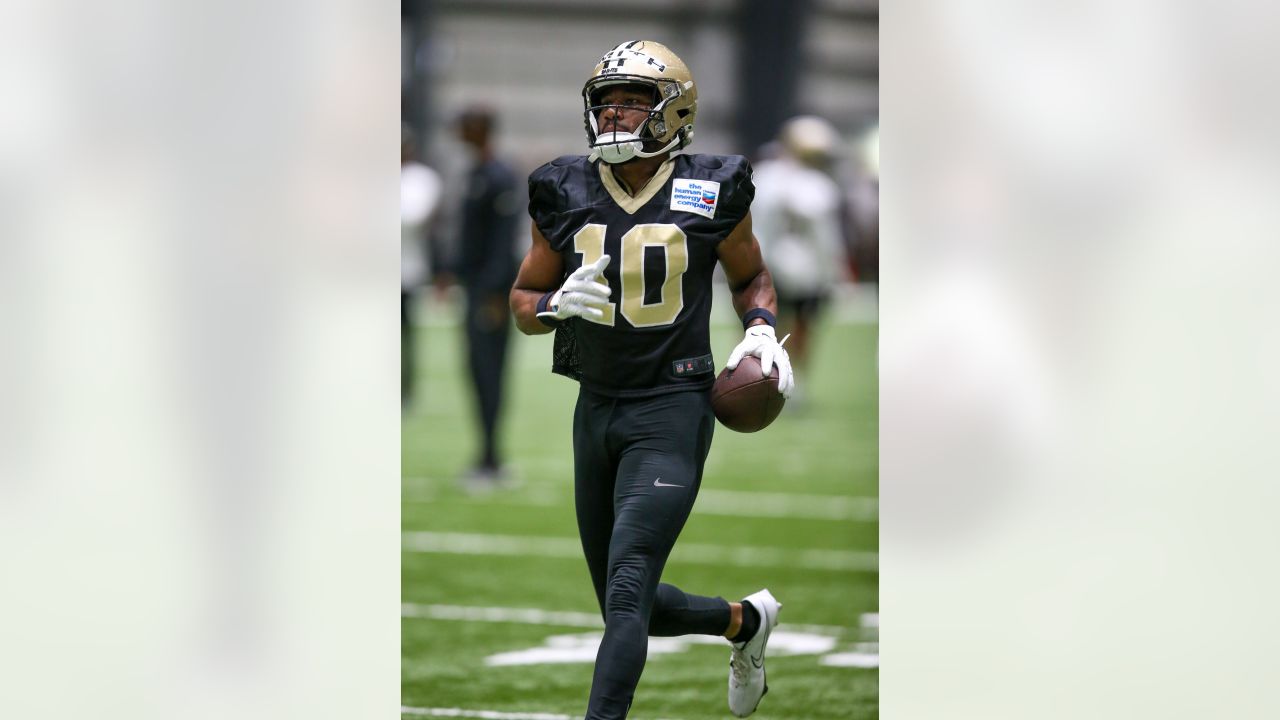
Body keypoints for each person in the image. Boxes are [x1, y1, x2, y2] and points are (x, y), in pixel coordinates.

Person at [509, 41, 794, 719]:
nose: (614, 115)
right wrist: (550, 309)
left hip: (673, 404)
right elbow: (521, 299)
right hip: (596, 406)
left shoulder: (713, 184)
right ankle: (742, 622)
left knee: (630, 589)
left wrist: (758, 326)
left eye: (632, 102)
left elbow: (749, 272)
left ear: (675, 111)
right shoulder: (562, 188)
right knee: (621, 599)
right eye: (606, 103)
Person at [751, 116, 850, 399]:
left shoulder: (764, 175)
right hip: (800, 267)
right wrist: (836, 273)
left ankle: (761, 383)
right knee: (785, 328)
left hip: (769, 263)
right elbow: (826, 240)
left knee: (766, 325)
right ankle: (784, 384)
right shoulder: (816, 185)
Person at [456, 106, 521, 484]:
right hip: (474, 289)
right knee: (476, 373)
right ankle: (485, 452)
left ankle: (492, 457)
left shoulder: (499, 176)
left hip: (489, 293)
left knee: (490, 372)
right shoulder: (475, 174)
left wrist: (497, 293)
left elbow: (501, 242)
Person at [401, 125, 442, 409]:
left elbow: (412, 217)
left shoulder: (420, 179)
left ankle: (404, 389)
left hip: (405, 270)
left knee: (403, 335)